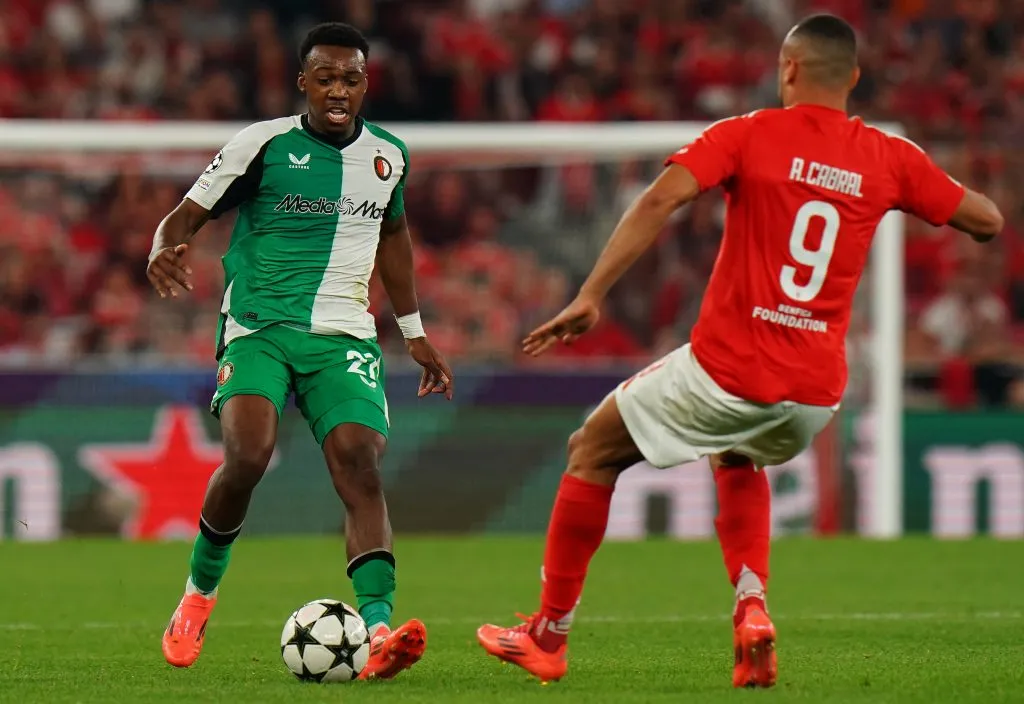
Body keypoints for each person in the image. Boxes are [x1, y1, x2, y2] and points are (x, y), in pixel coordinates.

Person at [476, 13, 1002, 688]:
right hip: (814, 395)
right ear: (855, 79)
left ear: (788, 69)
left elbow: (664, 195)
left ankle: (547, 634)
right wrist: (918, 190)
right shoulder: (890, 158)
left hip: (729, 370)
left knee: (591, 449)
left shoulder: (750, 133)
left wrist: (592, 293)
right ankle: (751, 608)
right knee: (738, 449)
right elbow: (985, 221)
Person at [147, 22, 454, 679]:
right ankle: (199, 596)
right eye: (326, 78)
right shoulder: (261, 145)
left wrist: (416, 332)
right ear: (303, 83)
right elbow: (187, 215)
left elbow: (394, 237)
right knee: (247, 456)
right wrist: (162, 248)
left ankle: (377, 632)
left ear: (366, 84)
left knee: (360, 466)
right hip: (260, 326)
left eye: (351, 79)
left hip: (342, 334)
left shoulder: (388, 156)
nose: (338, 90)